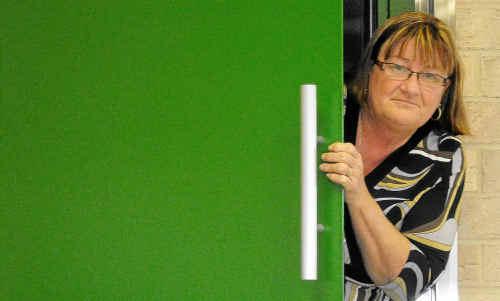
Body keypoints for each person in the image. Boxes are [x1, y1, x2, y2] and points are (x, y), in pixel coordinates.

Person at [319, 12, 469, 301]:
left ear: (445, 90)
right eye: (398, 68)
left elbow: (407, 284)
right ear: (370, 70)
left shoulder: (441, 155)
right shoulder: (326, 115)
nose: (411, 88)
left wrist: (357, 193)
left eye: (429, 76)